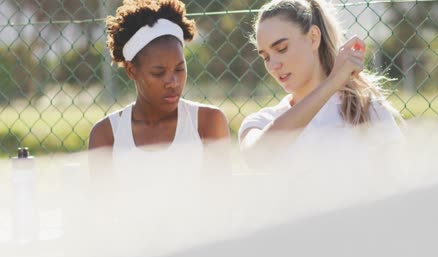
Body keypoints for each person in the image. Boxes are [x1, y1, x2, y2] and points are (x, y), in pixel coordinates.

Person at [239, 0, 403, 167]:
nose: (273, 66)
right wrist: (332, 83)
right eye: (265, 57)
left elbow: (398, 178)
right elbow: (257, 157)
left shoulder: (365, 109)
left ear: (313, 38)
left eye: (282, 49)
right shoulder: (263, 121)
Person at [88, 0, 230, 175]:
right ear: (131, 70)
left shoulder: (208, 122)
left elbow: (220, 196)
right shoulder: (107, 133)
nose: (173, 82)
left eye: (179, 69)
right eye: (158, 72)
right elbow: (103, 200)